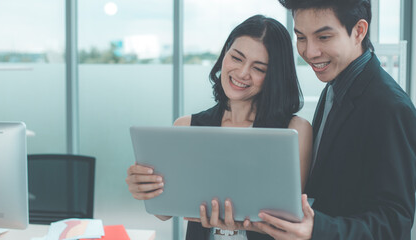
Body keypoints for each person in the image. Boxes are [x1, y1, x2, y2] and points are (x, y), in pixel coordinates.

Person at [126, 15, 312, 240]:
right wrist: (145, 189)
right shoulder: (186, 126)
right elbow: (164, 213)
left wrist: (241, 223)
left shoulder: (294, 131)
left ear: (274, 76)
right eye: (236, 57)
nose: (243, 73)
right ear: (225, 54)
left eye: (259, 68)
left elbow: (289, 222)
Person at [241, 0, 416, 239]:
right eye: (301, 37)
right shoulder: (336, 86)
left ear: (359, 31)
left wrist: (317, 229)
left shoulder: (390, 107)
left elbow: (394, 224)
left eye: (323, 37)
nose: (309, 52)